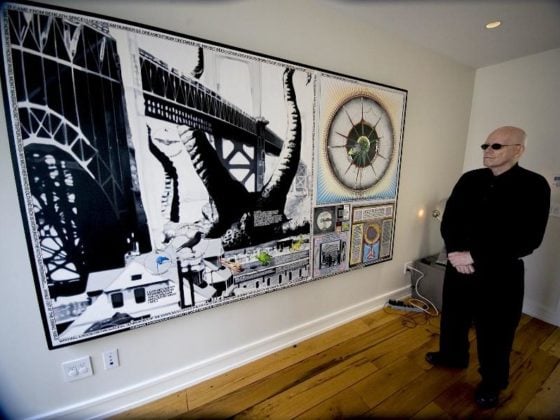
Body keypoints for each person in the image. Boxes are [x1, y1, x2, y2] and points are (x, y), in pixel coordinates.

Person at [425, 126, 551, 409]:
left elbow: (529, 238)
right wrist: (455, 253)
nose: (488, 151)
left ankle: (492, 382)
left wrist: (474, 256)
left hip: (500, 273)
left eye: (496, 146)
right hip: (457, 265)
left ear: (518, 150)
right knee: (453, 317)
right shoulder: (469, 179)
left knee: (496, 330)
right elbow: (450, 220)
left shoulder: (534, 186)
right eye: (485, 145)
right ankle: (453, 356)